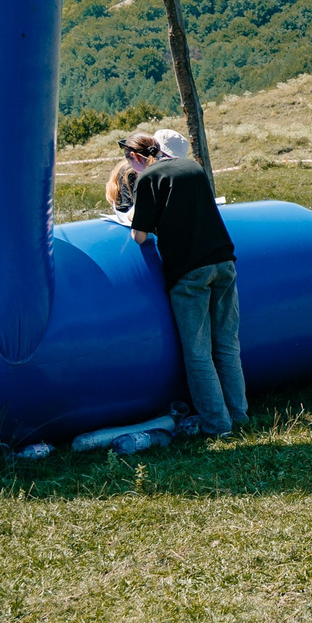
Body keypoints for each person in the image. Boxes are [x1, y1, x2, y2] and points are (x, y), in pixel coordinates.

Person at [122, 130, 245, 438]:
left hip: (189, 271)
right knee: (227, 344)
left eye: (128, 159)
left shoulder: (148, 178)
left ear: (137, 157)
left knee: (198, 352)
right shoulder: (193, 167)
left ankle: (217, 425)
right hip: (223, 261)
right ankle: (239, 415)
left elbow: (139, 235)